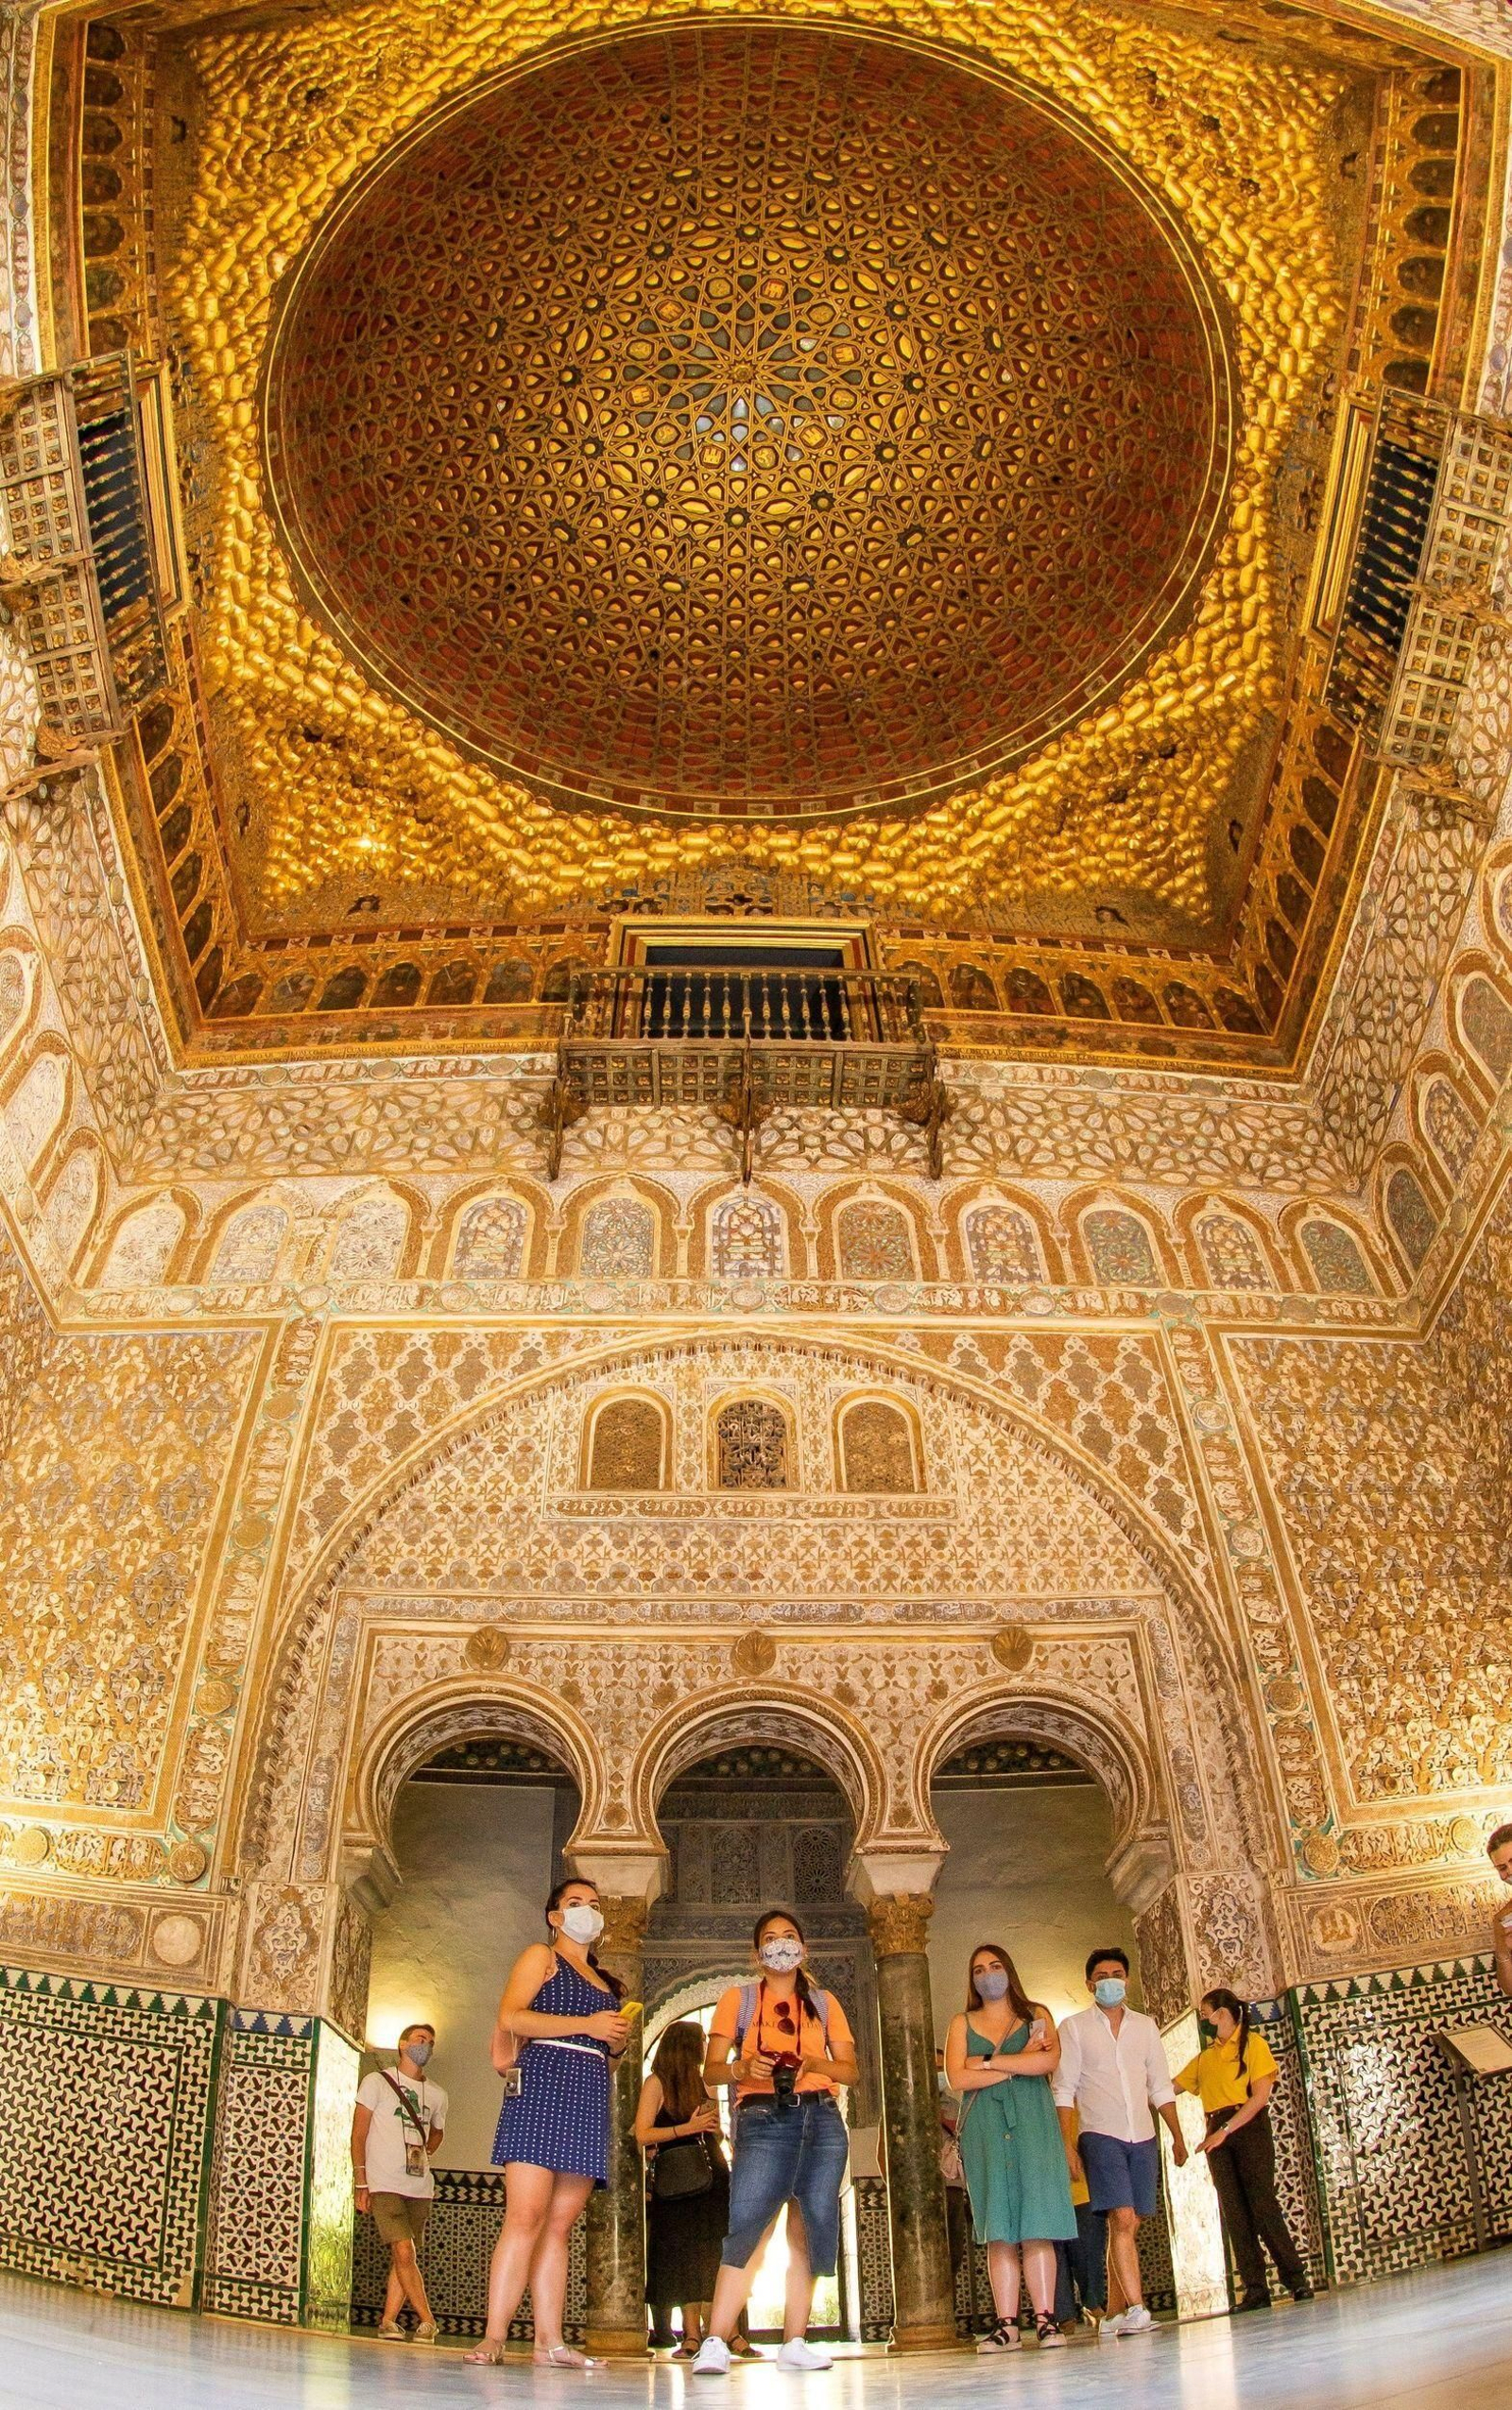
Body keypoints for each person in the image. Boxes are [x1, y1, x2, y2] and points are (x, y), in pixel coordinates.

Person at [464, 1878, 629, 2368]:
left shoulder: (608, 1984)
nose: (587, 1913)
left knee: (559, 2226)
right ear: (555, 1916)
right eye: (575, 1904)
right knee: (525, 2215)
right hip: (541, 2087)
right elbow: (513, 2017)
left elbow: (608, 2057)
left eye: (595, 1906)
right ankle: (494, 2336)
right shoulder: (542, 1957)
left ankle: (550, 2342)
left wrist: (614, 2044)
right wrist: (588, 2025)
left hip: (587, 2097)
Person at [691, 1908, 860, 2376]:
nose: (781, 1945)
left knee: (807, 2226)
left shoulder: (825, 2004)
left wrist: (813, 2064)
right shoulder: (738, 2000)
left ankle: (795, 2341)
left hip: (822, 2119)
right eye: (771, 1938)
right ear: (757, 1952)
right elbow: (712, 2069)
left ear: (804, 1948)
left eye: (789, 1937)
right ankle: (715, 2340)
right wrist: (744, 2069)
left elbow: (850, 2071)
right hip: (762, 2119)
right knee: (749, 2227)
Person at [944, 1945, 1076, 2353]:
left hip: (1035, 2127)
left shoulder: (1037, 2015)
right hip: (984, 2129)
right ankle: (1006, 2325)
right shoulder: (961, 2022)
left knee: (1037, 2225)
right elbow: (956, 2080)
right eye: (979, 1969)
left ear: (1010, 1970)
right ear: (972, 1979)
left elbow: (1047, 2063)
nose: (988, 1974)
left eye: (996, 1966)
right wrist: (1014, 2061)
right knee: (998, 2229)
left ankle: (1045, 2320)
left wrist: (985, 2063)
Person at [1053, 1946, 1188, 2339]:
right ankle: (1137, 2307)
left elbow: (1160, 2086)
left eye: (1117, 1974)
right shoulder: (1074, 2028)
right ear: (1089, 1983)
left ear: (1127, 1979)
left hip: (1142, 2135)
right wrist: (1067, 2145)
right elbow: (1064, 2090)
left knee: (1129, 2224)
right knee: (1122, 2218)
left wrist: (1177, 2135)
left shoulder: (1145, 2027)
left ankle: (1111, 2313)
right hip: (1099, 2135)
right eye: (1102, 1975)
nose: (1111, 1981)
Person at [1175, 1989, 1313, 2312]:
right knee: (1234, 2211)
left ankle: (1296, 2280)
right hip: (1216, 2131)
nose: (1204, 2020)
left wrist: (1226, 2130)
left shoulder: (1253, 2045)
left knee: (1262, 2204)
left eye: (1206, 2013)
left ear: (1223, 2013)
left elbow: (1259, 2098)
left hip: (1247, 2127)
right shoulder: (1205, 2058)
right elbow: (1172, 2087)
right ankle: (1255, 2289)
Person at [635, 2019, 731, 2357]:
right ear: (686, 2045)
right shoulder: (656, 2083)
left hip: (712, 2176)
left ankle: (719, 2332)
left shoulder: (707, 2082)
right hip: (677, 2180)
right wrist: (686, 2128)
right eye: (701, 2040)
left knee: (715, 2253)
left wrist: (713, 2129)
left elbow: (714, 2133)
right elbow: (642, 2135)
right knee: (684, 2255)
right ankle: (690, 2335)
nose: (706, 2046)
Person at [352, 2020, 447, 2343]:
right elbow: (359, 2132)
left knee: (403, 2255)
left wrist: (430, 2145)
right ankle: (428, 2320)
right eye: (421, 2039)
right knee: (404, 2250)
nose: (427, 2046)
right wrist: (360, 2181)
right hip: (384, 2182)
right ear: (403, 2044)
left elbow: (437, 2130)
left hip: (419, 2185)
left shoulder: (436, 2094)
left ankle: (389, 2321)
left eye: (431, 2042)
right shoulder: (376, 2083)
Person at [1051, 2109, 1108, 2336]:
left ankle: (1093, 2304)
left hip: (1083, 2187)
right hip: (1049, 2191)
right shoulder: (1035, 2100)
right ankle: (1063, 2316)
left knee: (1088, 2253)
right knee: (1054, 2257)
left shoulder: (1078, 2100)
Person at [1488, 1823, 1512, 2000]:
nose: (1510, 1872)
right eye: (1502, 1868)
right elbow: (1510, 1988)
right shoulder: (1504, 1918)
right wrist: (1504, 1950)